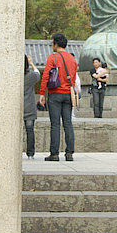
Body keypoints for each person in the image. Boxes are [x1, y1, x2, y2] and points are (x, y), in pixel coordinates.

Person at [39, 33, 78, 161]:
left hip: (55, 94)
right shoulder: (72, 60)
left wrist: (41, 93)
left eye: (52, 43)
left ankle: (54, 154)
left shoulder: (53, 57)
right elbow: (73, 79)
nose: (52, 46)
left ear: (56, 44)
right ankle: (69, 153)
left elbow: (45, 76)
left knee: (55, 124)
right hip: (68, 94)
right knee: (68, 123)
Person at [23, 55, 40, 160]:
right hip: (29, 108)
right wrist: (32, 63)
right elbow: (38, 73)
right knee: (30, 131)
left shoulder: (13, 76)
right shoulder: (31, 76)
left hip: (16, 108)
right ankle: (30, 154)